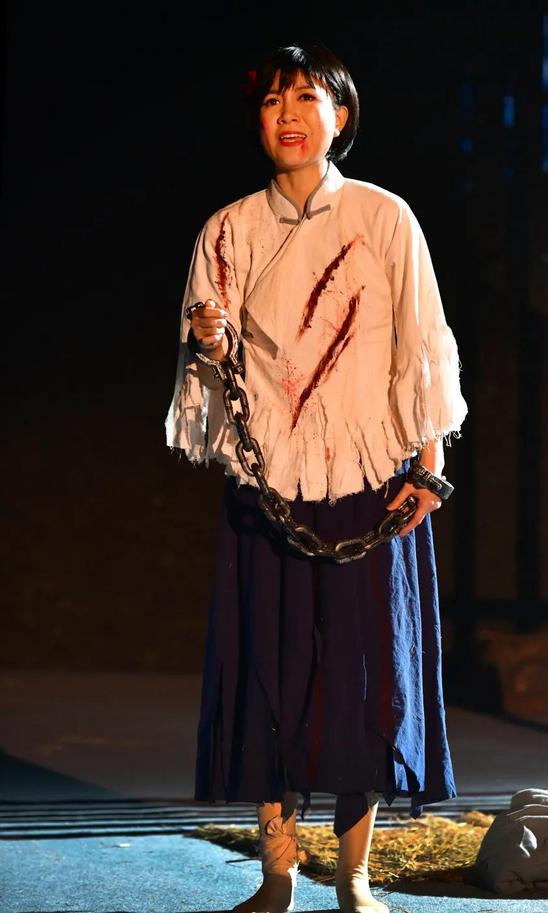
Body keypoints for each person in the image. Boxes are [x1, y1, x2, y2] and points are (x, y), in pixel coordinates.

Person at [166, 42, 468, 913]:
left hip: (370, 484)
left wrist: (430, 469)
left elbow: (423, 341)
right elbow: (207, 372)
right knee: (268, 675)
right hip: (269, 492)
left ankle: (355, 874)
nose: (289, 114)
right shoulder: (226, 231)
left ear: (342, 115)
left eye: (307, 97)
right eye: (273, 101)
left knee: (364, 682)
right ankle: (277, 873)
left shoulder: (383, 216)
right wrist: (210, 342)